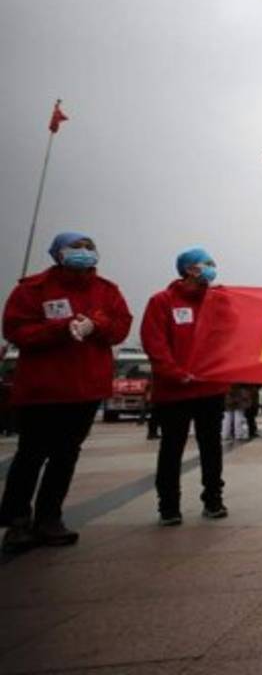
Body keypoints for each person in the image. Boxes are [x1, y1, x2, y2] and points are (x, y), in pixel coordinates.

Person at [1, 232, 132, 553]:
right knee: (31, 454)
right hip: (43, 389)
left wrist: (96, 327)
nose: (84, 253)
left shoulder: (107, 291)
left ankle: (49, 517)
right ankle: (17, 521)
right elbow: (15, 330)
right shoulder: (32, 289)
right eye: (77, 247)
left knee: (66, 454)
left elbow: (120, 328)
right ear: (58, 253)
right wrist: (60, 328)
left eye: (90, 247)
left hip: (85, 388)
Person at [142, 248, 231, 526]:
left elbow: (231, 338)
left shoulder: (220, 301)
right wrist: (175, 373)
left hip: (210, 388)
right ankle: (168, 506)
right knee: (172, 447)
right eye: (206, 264)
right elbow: (155, 343)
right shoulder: (162, 302)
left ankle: (213, 499)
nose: (211, 268)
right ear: (189, 269)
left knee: (211, 446)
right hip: (175, 390)